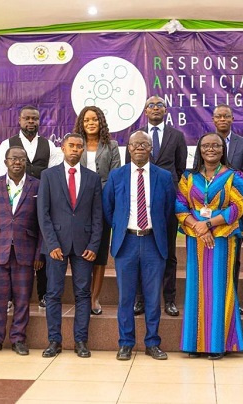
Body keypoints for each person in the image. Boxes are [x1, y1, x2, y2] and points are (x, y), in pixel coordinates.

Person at [103, 131, 175, 361]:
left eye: (145, 144)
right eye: (135, 145)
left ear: (151, 148)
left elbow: (169, 211)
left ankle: (152, 343)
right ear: (129, 149)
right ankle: (125, 343)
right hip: (127, 242)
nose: (140, 148)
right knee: (125, 297)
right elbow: (108, 209)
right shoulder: (117, 176)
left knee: (153, 297)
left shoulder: (163, 176)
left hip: (154, 242)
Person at [177, 133, 243, 359]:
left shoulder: (233, 176)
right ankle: (195, 343)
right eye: (205, 145)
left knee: (219, 288)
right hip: (195, 239)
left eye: (216, 145)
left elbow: (238, 207)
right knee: (196, 288)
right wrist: (197, 226)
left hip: (223, 239)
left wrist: (207, 224)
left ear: (222, 149)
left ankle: (217, 344)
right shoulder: (188, 177)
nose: (211, 149)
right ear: (199, 149)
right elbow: (179, 205)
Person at [37, 133, 103, 358]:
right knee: (53, 294)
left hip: (84, 247)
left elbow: (97, 216)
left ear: (83, 150)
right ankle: (54, 341)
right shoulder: (48, 176)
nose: (75, 149)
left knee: (83, 294)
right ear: (63, 148)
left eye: (79, 146)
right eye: (71, 146)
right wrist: (51, 243)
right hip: (55, 246)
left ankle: (81, 342)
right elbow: (43, 213)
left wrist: (94, 246)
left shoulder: (93, 178)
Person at [0, 105, 62, 309]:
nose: (31, 122)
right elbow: (1, 174)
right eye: (27, 118)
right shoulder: (7, 144)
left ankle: (43, 294)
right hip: (15, 204)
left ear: (39, 121)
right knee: (14, 248)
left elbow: (54, 175)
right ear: (19, 120)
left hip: (42, 203)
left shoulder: (49, 145)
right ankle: (8, 297)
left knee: (42, 249)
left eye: (34, 119)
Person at [0, 146, 43, 356]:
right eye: (13, 159)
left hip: (26, 251)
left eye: (21, 159)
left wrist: (38, 254)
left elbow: (41, 224)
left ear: (26, 162)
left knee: (23, 299)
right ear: (5, 162)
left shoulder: (38, 186)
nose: (17, 162)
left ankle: (18, 339)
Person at [128, 95, 187, 317]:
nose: (155, 108)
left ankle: (169, 299)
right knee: (141, 252)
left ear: (166, 110)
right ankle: (140, 299)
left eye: (159, 105)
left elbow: (180, 169)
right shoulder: (136, 137)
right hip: (140, 202)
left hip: (167, 202)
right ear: (145, 111)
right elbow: (129, 168)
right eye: (150, 105)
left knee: (167, 251)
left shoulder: (177, 136)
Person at [194, 104, 243, 315]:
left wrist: (224, 184)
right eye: (218, 116)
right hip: (199, 227)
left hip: (227, 220)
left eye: (226, 116)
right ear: (213, 118)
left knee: (230, 266)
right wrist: (200, 224)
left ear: (232, 119)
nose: (222, 119)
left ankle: (232, 301)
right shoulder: (204, 148)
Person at [72, 106, 120, 315]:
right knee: (81, 252)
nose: (91, 123)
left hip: (103, 206)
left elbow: (116, 177)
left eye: (94, 119)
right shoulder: (75, 144)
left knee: (99, 253)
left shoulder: (112, 146)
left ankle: (94, 298)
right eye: (86, 120)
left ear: (101, 122)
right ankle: (81, 295)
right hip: (78, 206)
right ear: (81, 123)